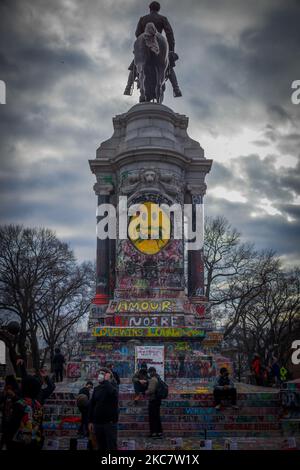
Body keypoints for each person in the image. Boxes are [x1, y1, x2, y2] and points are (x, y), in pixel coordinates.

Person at [124, 1, 182, 97]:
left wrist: (142, 44)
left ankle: (128, 87)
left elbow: (137, 33)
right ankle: (176, 89)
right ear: (158, 9)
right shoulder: (162, 18)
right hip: (160, 45)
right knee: (169, 65)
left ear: (149, 8)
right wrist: (171, 50)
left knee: (134, 64)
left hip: (144, 41)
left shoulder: (143, 19)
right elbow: (169, 33)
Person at [6, 375, 44, 450]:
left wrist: (8, 442)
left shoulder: (19, 404)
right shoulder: (38, 404)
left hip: (19, 443)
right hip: (35, 441)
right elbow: (40, 425)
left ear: (25, 388)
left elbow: (12, 425)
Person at [88, 367, 119, 452]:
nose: (100, 375)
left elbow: (114, 394)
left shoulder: (113, 386)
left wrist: (107, 381)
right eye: (99, 374)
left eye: (102, 374)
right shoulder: (97, 389)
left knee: (111, 446)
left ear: (108, 375)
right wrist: (90, 421)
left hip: (109, 423)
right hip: (98, 422)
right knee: (100, 446)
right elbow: (92, 405)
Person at [0, 375, 21, 450]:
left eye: (7, 383)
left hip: (13, 420)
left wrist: (13, 395)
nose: (6, 385)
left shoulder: (17, 391)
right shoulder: (6, 391)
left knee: (9, 439)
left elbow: (21, 402)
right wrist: (4, 394)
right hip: (6, 419)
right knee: (5, 437)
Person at [146, 367, 163, 439]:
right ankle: (159, 432)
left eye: (149, 372)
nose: (149, 374)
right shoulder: (158, 378)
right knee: (157, 417)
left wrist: (145, 392)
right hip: (158, 400)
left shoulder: (153, 380)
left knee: (152, 417)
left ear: (152, 372)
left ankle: (153, 433)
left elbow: (151, 390)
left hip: (153, 400)